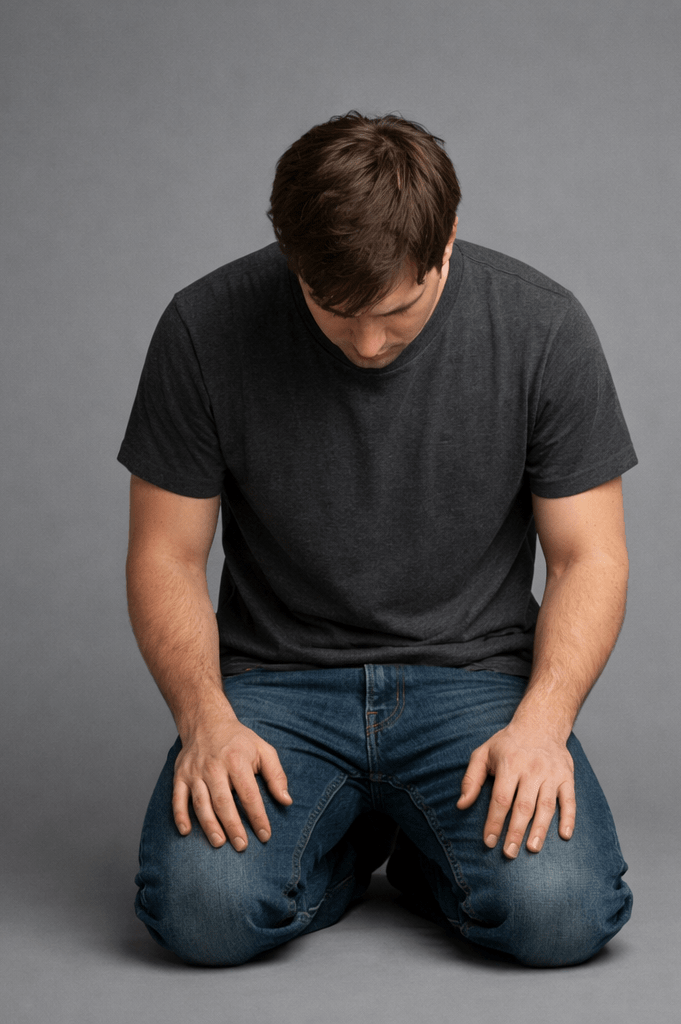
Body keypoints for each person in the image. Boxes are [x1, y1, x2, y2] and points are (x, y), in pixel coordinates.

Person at [118, 112, 636, 967]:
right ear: (291, 256)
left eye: (398, 311)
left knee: (560, 914)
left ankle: (423, 846)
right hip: (278, 685)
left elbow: (591, 556)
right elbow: (165, 555)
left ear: (449, 240)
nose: (367, 343)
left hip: (472, 682)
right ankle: (353, 845)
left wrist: (543, 723)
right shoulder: (201, 330)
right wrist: (205, 719)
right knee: (203, 915)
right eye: (332, 308)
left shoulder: (544, 330)